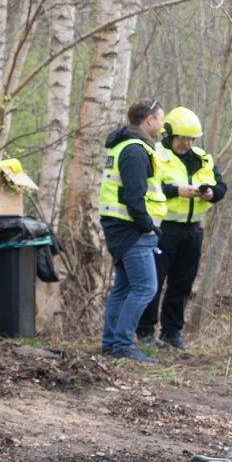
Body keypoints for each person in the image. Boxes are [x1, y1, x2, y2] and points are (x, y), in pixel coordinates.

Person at [138, 105, 224, 350]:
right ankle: (145, 330)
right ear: (169, 135)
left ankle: (172, 331)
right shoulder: (155, 154)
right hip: (164, 229)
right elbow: (148, 187)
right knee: (154, 281)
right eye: (181, 138)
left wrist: (211, 193)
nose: (186, 143)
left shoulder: (203, 158)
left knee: (182, 283)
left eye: (190, 138)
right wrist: (177, 191)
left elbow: (221, 187)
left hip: (192, 230)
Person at [98, 98, 168, 362]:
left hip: (123, 228)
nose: (162, 126)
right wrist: (148, 228)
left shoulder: (125, 146)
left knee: (125, 287)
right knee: (145, 287)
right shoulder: (135, 150)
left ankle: (111, 342)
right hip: (132, 230)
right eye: (160, 119)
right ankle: (122, 345)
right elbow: (134, 197)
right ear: (149, 120)